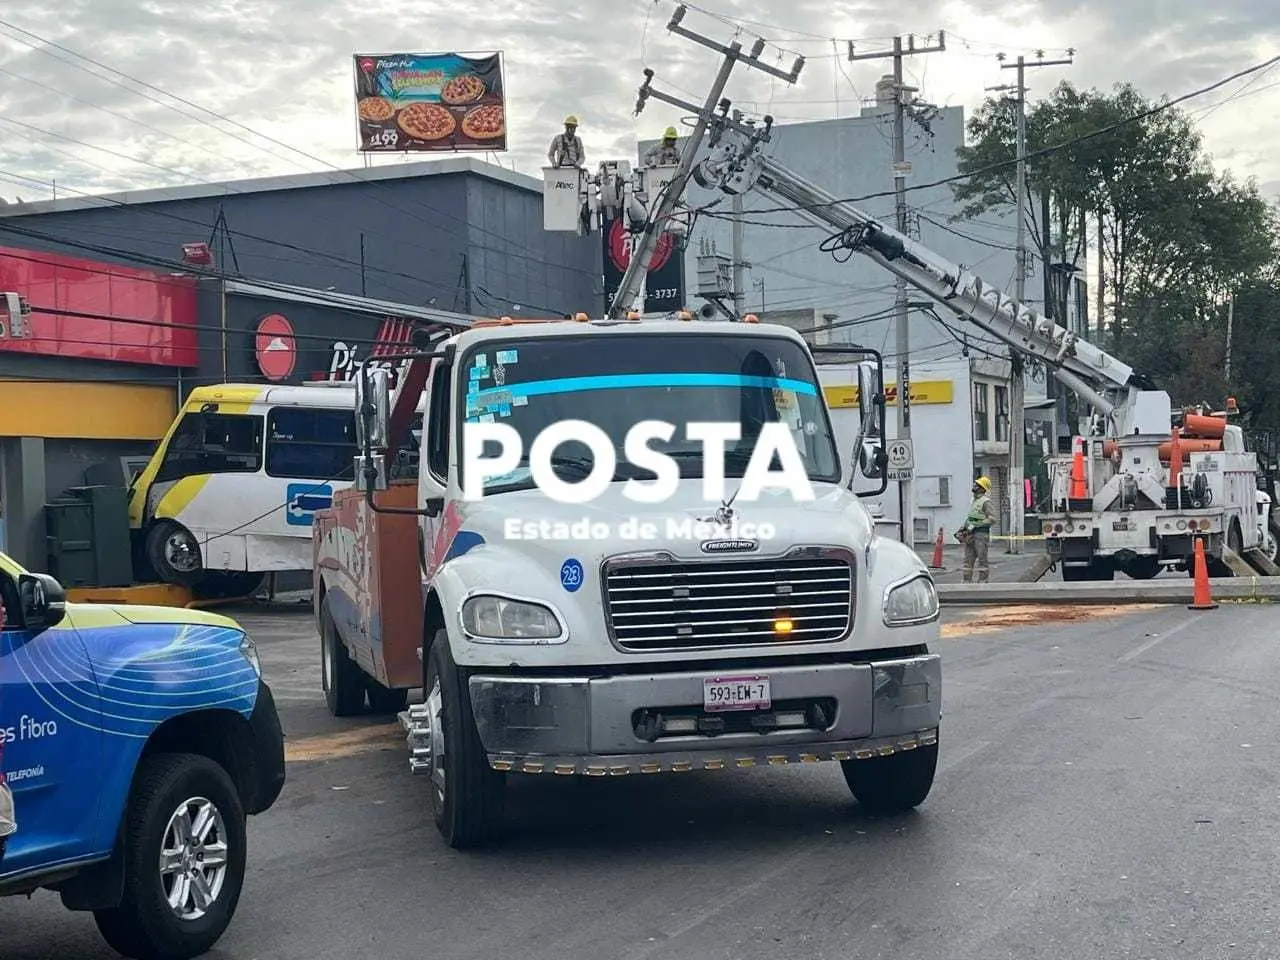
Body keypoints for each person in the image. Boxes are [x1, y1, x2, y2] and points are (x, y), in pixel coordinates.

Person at [959, 475, 997, 583]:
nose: (974, 485)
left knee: (982, 558)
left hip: (981, 534)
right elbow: (972, 517)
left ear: (982, 488)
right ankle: (966, 581)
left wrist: (979, 524)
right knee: (968, 559)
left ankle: (983, 580)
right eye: (975, 483)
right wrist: (963, 527)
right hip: (970, 533)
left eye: (977, 484)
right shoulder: (974, 501)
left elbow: (992, 519)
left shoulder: (986, 502)